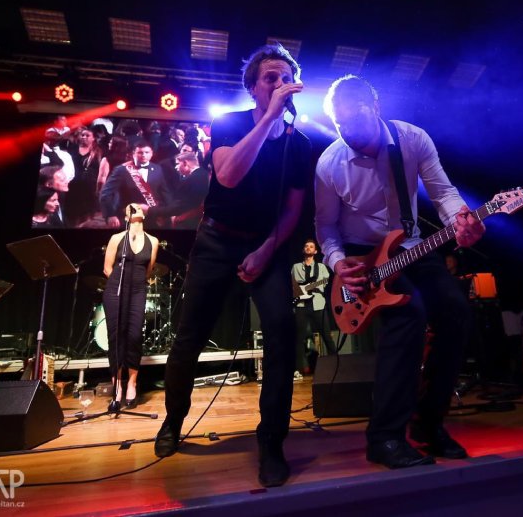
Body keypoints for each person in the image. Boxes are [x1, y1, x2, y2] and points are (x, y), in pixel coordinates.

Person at [154, 43, 310, 489]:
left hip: (266, 246)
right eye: (270, 78)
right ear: (253, 87)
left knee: (281, 332)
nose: (279, 84)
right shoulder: (228, 124)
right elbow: (228, 176)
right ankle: (173, 421)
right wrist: (268, 120)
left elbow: (293, 209)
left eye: (286, 78)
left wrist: (266, 250)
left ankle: (272, 441)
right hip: (216, 240)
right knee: (190, 336)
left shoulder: (299, 144)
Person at [315, 75, 485, 469]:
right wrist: (338, 263)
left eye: (355, 120)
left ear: (375, 107)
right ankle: (384, 438)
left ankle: (428, 423)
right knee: (408, 315)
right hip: (361, 257)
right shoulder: (329, 163)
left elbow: (443, 193)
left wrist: (461, 220)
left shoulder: (412, 139)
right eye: (340, 124)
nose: (348, 131)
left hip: (409, 246)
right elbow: (325, 226)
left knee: (457, 312)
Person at [102, 204, 159, 408]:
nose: (136, 208)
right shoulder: (117, 238)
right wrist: (120, 285)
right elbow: (107, 268)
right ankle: (117, 385)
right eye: (131, 207)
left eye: (139, 207)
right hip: (115, 291)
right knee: (116, 336)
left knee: (134, 336)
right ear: (126, 216)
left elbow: (148, 270)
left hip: (137, 291)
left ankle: (132, 384)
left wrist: (134, 285)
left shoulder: (153, 241)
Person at [99, 140, 175, 229]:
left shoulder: (157, 169)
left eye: (147, 152)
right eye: (140, 152)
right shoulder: (121, 170)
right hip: (128, 216)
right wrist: (110, 215)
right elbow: (105, 194)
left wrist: (171, 212)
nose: (143, 155)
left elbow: (165, 192)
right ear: (133, 154)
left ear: (151, 154)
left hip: (152, 215)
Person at [291, 239, 335, 374]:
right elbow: (293, 284)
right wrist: (300, 291)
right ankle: (301, 368)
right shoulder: (296, 267)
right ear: (303, 250)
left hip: (318, 304)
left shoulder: (321, 267)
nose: (308, 248)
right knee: (299, 338)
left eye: (311, 246)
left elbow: (325, 281)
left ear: (315, 251)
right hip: (301, 305)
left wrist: (313, 286)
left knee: (326, 335)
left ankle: (335, 364)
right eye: (306, 246)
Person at [168, 150, 209, 229]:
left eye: (177, 164)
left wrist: (176, 217)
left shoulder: (192, 179)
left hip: (188, 223)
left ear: (185, 163)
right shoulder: (204, 174)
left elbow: (192, 205)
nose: (176, 167)